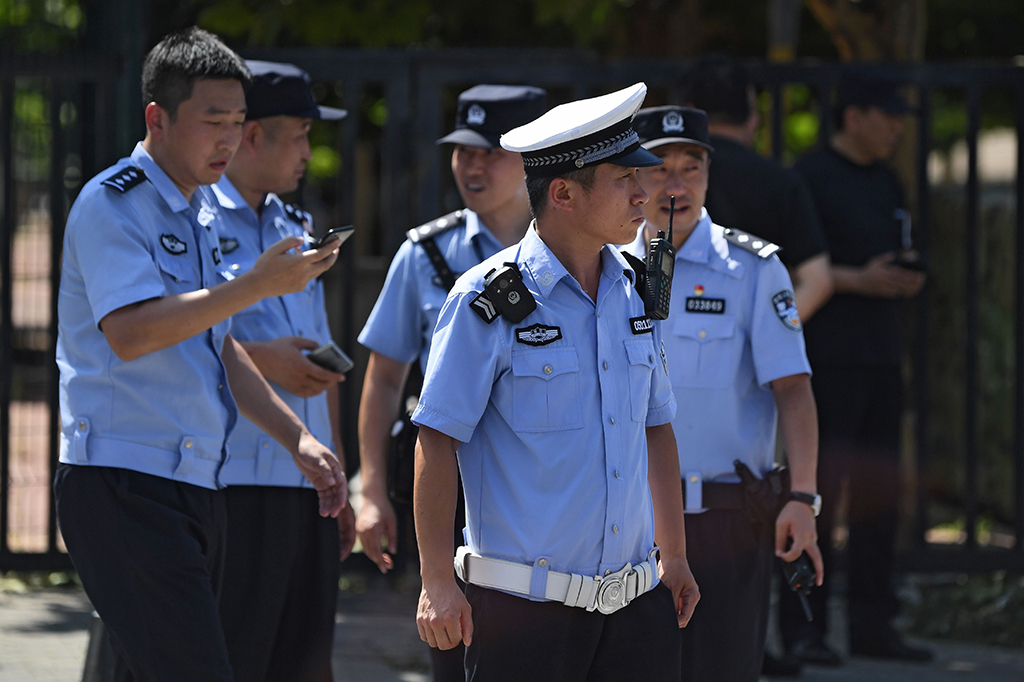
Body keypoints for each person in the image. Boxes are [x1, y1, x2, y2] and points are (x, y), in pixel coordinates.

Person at [53, 29, 346, 682]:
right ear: (158, 118)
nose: (228, 140)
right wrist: (255, 286)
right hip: (123, 485)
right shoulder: (114, 201)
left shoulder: (198, 216)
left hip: (194, 489)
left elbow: (216, 345)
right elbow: (130, 333)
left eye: (238, 123)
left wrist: (296, 438)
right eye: (214, 122)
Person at [412, 83, 699, 682]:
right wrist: (437, 580)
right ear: (564, 192)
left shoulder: (637, 288)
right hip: (524, 614)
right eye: (625, 180)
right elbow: (437, 440)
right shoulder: (487, 298)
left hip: (635, 607)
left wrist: (673, 555)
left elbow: (657, 426)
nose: (645, 195)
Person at [624, 106, 823, 682]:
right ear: (633, 176)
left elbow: (794, 390)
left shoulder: (754, 270)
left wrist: (803, 498)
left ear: (710, 176)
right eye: (658, 168)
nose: (676, 185)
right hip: (626, 521)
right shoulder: (606, 267)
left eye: (693, 167)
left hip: (724, 517)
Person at [356, 84, 545, 681]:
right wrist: (371, 488)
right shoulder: (425, 255)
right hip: (452, 481)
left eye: (491, 151)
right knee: (457, 647)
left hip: (545, 478)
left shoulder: (576, 253)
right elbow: (385, 377)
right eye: (463, 150)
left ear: (533, 158)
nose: (473, 164)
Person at [209, 60, 355, 682]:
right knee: (233, 657)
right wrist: (264, 362)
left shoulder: (296, 231)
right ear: (253, 136)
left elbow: (322, 359)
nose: (308, 150)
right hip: (232, 482)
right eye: (298, 133)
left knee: (304, 664)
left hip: (305, 485)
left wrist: (340, 471)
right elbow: (166, 336)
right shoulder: (195, 223)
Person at [780, 74, 930, 665]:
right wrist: (853, 279)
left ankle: (873, 625)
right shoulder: (808, 178)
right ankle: (802, 629)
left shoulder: (889, 179)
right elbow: (788, 270)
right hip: (825, 360)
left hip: (883, 356)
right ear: (852, 115)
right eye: (887, 115)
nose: (896, 128)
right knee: (811, 496)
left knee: (879, 497)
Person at [680, 55, 833, 323]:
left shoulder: (658, 181)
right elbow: (818, 282)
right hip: (750, 332)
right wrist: (768, 335)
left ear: (689, 113)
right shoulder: (781, 181)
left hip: (673, 345)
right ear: (752, 119)